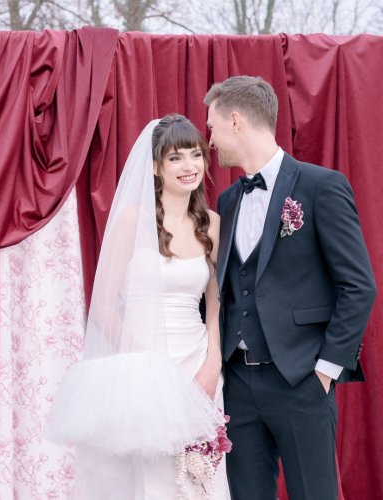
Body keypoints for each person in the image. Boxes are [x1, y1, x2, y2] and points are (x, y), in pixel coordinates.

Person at [203, 76, 376, 500]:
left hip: (301, 381)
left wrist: (325, 371)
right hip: (239, 386)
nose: (210, 140)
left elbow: (358, 286)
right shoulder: (228, 201)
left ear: (236, 121)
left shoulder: (321, 187)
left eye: (212, 126)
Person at [48, 114, 231, 499]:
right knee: (154, 480)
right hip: (143, 363)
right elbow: (103, 306)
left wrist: (213, 359)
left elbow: (216, 303)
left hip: (196, 361)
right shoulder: (134, 219)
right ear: (155, 167)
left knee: (201, 477)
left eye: (196, 155)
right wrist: (148, 365)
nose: (189, 166)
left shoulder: (212, 224)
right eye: (175, 157)